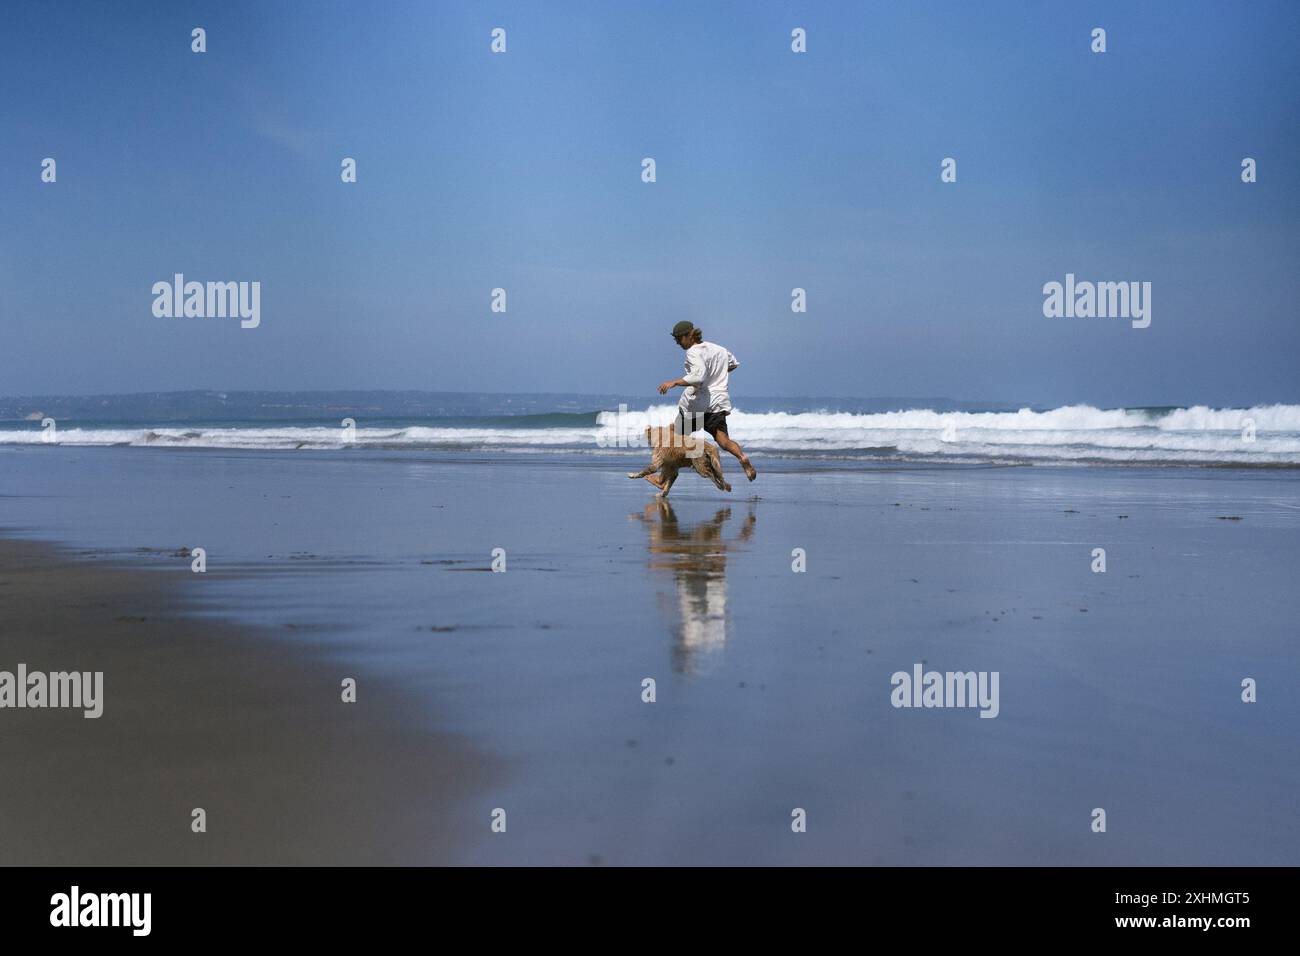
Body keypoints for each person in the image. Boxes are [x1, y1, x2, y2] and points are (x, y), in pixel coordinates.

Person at [657, 321, 757, 482]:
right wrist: (716, 375)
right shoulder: (719, 349)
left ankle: (662, 480)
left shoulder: (693, 352)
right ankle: (742, 457)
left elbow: (698, 377)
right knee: (723, 441)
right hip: (718, 401)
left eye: (678, 339)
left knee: (675, 441)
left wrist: (674, 382)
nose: (677, 343)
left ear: (689, 335)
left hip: (698, 404)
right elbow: (733, 364)